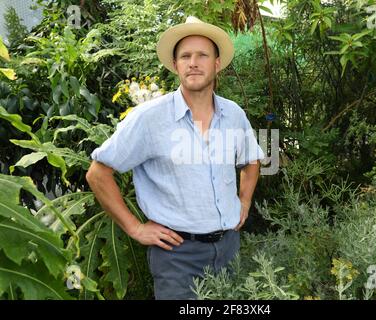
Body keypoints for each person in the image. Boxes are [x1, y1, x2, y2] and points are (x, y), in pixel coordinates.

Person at [86, 16, 265, 300]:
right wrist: (135, 227)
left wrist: (244, 201)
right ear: (176, 65)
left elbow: (251, 160)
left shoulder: (234, 114)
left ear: (217, 64)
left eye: (202, 55)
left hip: (230, 248)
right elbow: (98, 172)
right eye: (185, 56)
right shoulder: (149, 119)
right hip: (177, 257)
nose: (193, 62)